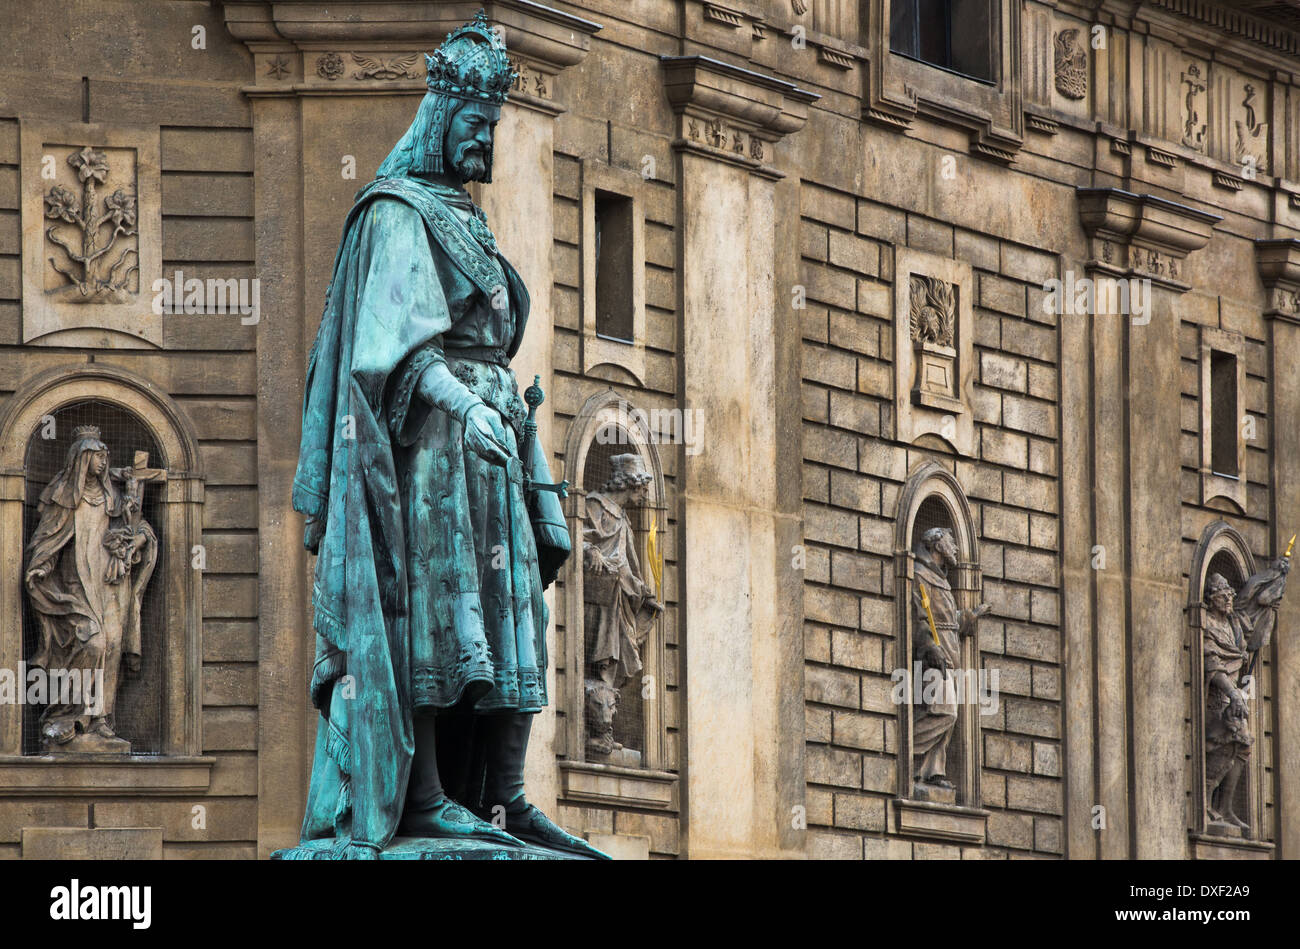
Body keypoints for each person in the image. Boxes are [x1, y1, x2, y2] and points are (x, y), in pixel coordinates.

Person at [290, 11, 604, 858]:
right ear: (441, 116)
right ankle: (423, 796)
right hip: (429, 452)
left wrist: (503, 408)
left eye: (492, 125)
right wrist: (465, 407)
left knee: (510, 616)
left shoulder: (464, 214)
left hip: (491, 451)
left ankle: (505, 796)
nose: (485, 140)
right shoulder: (396, 211)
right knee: (432, 614)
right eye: (474, 124)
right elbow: (390, 345)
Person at [24, 425, 157, 752]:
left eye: (104, 455)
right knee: (93, 643)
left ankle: (100, 720)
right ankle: (67, 714)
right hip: (74, 587)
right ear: (82, 458)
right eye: (96, 455)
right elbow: (46, 539)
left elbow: (140, 529)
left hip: (110, 585)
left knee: (111, 648)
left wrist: (132, 542)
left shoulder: (114, 495)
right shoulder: (63, 495)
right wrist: (41, 565)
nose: (103, 460)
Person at [582, 453, 662, 755]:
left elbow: (626, 565)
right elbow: (576, 539)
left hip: (618, 601)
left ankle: (604, 731)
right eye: (642, 489)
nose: (643, 496)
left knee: (619, 659)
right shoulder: (594, 504)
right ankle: (593, 730)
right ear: (630, 483)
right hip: (597, 601)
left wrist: (642, 591)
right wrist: (591, 552)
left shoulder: (625, 521)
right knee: (602, 659)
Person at [910, 526, 989, 791]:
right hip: (935, 655)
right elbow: (918, 618)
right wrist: (930, 646)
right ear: (936, 544)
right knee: (945, 712)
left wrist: (970, 617)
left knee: (949, 716)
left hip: (950, 651)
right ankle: (907, 748)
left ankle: (932, 771)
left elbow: (947, 621)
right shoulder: (920, 575)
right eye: (950, 542)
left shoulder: (941, 578)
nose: (954, 547)